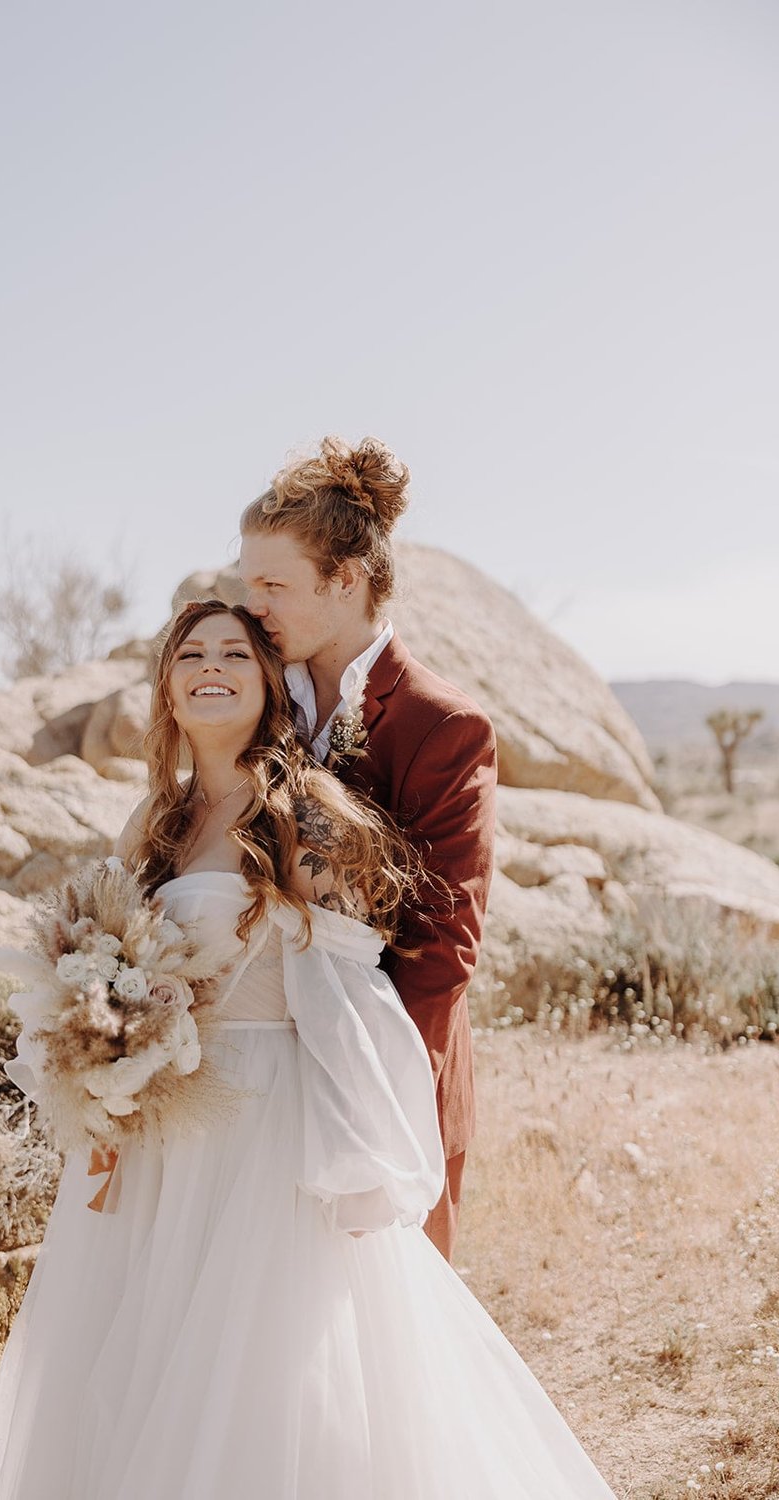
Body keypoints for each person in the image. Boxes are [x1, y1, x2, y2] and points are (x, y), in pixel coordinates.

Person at [0, 598, 618, 1500]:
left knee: (267, 1368)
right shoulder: (152, 825)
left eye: (236, 651)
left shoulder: (305, 814)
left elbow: (352, 993)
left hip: (269, 1122)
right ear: (166, 686)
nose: (212, 666)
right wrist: (107, 1079)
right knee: (147, 1357)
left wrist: (361, 1143)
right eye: (190, 652)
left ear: (269, 680)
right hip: (162, 1133)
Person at [239, 435, 496, 1261]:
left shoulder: (441, 724)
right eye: (249, 585)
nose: (255, 607)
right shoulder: (257, 702)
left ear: (345, 580)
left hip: (384, 1082)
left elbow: (442, 946)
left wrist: (364, 1094)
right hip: (259, 1083)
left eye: (274, 585)